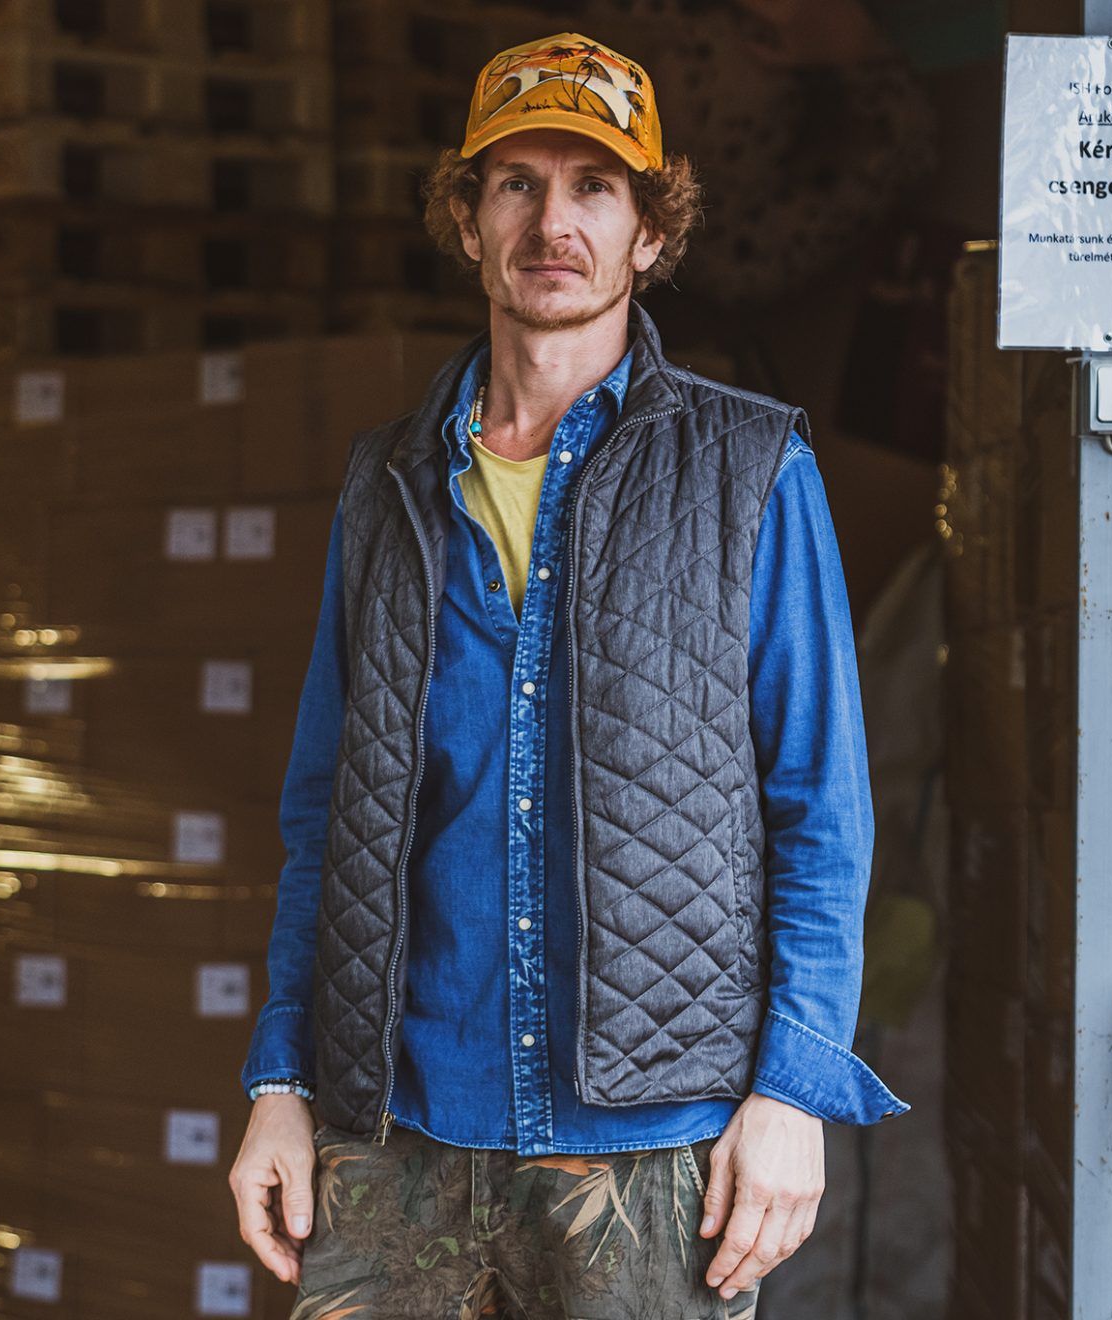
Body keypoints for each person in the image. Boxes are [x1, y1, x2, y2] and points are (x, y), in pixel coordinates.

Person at [226, 32, 907, 1318]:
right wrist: (281, 1080)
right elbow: (326, 814)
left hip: (651, 1143)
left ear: (651, 231)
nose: (554, 223)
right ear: (467, 221)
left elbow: (820, 807)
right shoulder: (386, 486)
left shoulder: (751, 473)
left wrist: (794, 1089)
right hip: (395, 1130)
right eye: (517, 184)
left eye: (595, 186)